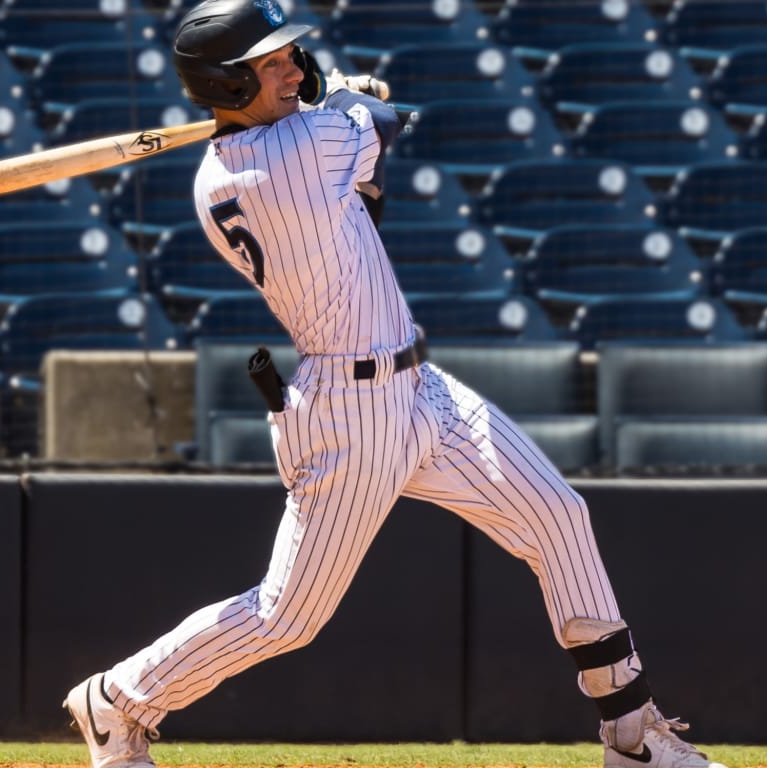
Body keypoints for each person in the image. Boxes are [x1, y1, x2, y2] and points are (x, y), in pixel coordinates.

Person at [62, 3, 726, 768]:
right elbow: (381, 118)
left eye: (289, 55)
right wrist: (346, 93)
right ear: (225, 80)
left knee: (557, 517)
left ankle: (633, 735)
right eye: (270, 61)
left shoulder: (225, 171)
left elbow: (366, 193)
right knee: (288, 617)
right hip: (350, 412)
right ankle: (118, 700)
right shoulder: (295, 152)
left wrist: (333, 101)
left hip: (418, 386)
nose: (291, 66)